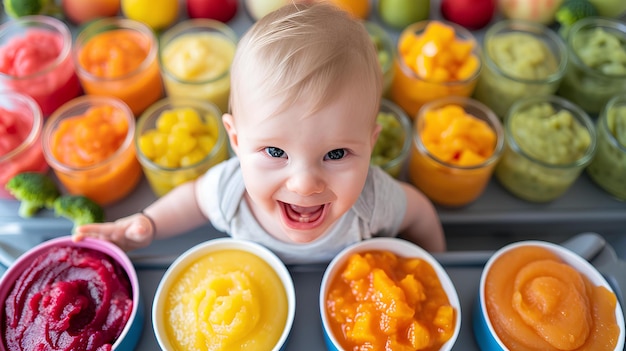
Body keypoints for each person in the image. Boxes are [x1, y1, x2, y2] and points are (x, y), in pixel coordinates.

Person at [74, 2, 446, 264]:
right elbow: (192, 201)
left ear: (370, 143)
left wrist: (438, 262)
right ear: (236, 141)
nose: (303, 184)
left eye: (335, 155)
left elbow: (420, 214)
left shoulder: (372, 201)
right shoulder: (232, 191)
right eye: (274, 152)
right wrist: (149, 224)